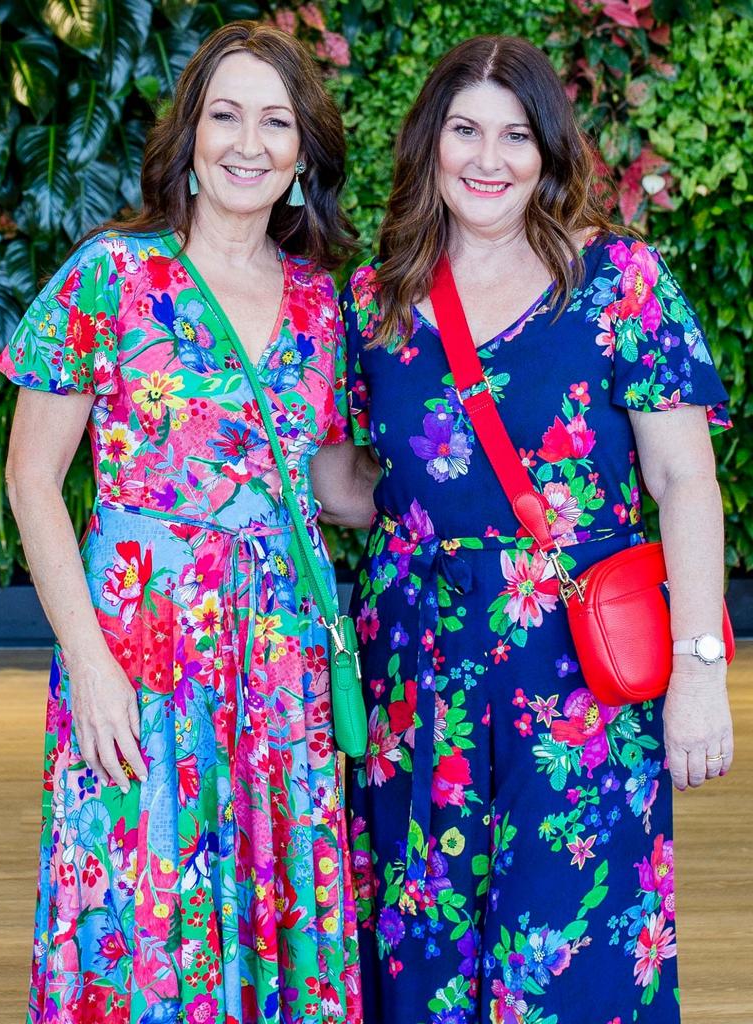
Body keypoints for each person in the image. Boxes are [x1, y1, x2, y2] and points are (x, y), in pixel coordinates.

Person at [341, 35, 734, 1024]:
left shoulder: (621, 284)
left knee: (573, 958)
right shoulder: (375, 303)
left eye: (517, 135)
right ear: (430, 143)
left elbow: (684, 477)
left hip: (577, 680)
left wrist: (699, 670)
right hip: (416, 682)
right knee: (424, 947)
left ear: (549, 152)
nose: (489, 157)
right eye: (466, 130)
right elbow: (353, 481)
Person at [0, 20, 374, 1024]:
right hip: (141, 647)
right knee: (136, 902)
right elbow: (32, 477)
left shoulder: (319, 306)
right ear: (189, 137)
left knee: (273, 891)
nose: (248, 142)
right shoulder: (111, 277)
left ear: (303, 153)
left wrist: (484, 493)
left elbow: (330, 486)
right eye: (225, 116)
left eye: (276, 121)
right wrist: (89, 662)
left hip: (281, 660)